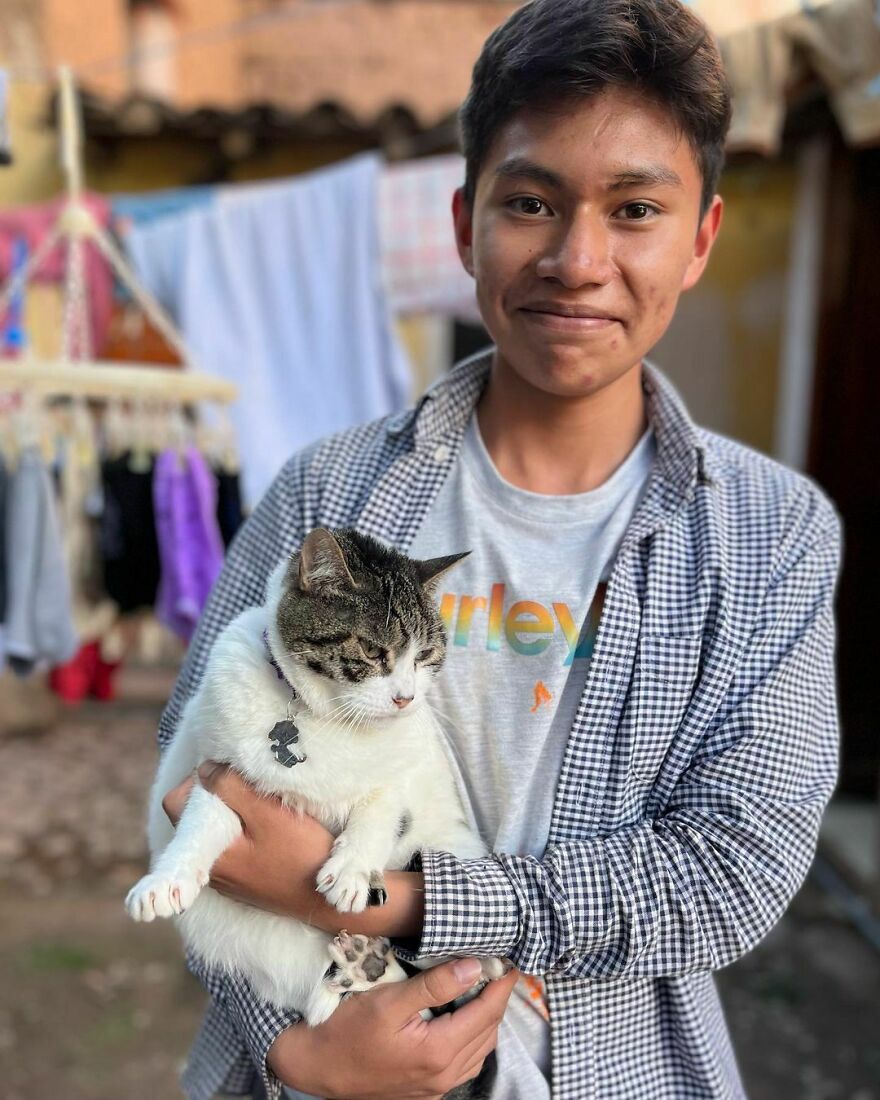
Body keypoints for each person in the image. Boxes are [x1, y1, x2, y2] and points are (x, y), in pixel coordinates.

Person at [158, 1, 842, 1097]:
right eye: (530, 202)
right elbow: (196, 777)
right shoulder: (329, 494)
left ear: (701, 235)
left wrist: (405, 896)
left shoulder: (767, 534)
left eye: (634, 209)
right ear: (464, 221)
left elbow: (731, 871)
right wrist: (294, 1047)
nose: (578, 260)